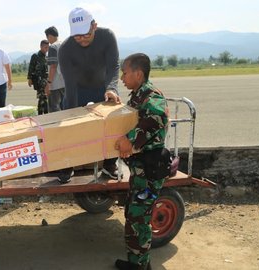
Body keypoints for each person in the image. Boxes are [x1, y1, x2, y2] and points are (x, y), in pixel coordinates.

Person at [114, 53, 169, 270]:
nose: (121, 78)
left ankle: (141, 266)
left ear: (138, 74)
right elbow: (135, 118)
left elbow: (156, 118)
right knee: (133, 214)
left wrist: (130, 140)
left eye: (125, 73)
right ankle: (137, 263)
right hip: (140, 169)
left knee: (139, 218)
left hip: (149, 170)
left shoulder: (151, 95)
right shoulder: (137, 95)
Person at [57, 7, 121, 183]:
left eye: (85, 34)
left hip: (104, 87)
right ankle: (66, 165)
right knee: (69, 126)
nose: (82, 39)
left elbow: (113, 67)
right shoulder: (65, 49)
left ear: (94, 26)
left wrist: (112, 89)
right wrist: (71, 112)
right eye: (77, 36)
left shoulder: (107, 37)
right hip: (77, 89)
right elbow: (69, 84)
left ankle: (109, 165)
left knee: (113, 123)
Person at [44, 26, 66, 113]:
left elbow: (53, 67)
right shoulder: (65, 44)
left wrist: (48, 83)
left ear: (49, 36)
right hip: (65, 82)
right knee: (65, 108)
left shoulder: (53, 47)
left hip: (55, 84)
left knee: (54, 109)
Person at [27, 39, 49, 115]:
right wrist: (29, 79)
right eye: (45, 47)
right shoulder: (35, 56)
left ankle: (45, 114)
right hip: (38, 81)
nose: (47, 49)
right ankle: (41, 114)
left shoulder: (46, 57)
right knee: (42, 98)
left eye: (47, 47)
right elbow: (31, 67)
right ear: (41, 47)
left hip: (45, 81)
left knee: (44, 98)